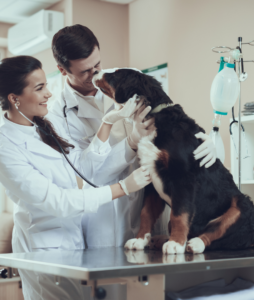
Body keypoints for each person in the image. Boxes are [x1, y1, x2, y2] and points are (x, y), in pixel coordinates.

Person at [50, 24, 217, 249]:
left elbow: (170, 117)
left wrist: (210, 141)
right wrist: (131, 142)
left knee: (154, 279)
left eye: (97, 64)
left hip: (149, 201)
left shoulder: (126, 78)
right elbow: (87, 173)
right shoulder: (58, 116)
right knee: (111, 280)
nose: (94, 74)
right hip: (104, 214)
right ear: (63, 70)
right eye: (84, 72)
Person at [0, 55, 151, 300]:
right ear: (14, 99)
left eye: (46, 85)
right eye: (39, 88)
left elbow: (82, 169)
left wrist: (108, 123)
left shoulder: (43, 126)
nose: (49, 94)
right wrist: (123, 187)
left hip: (73, 245)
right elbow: (57, 201)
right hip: (42, 252)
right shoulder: (5, 146)